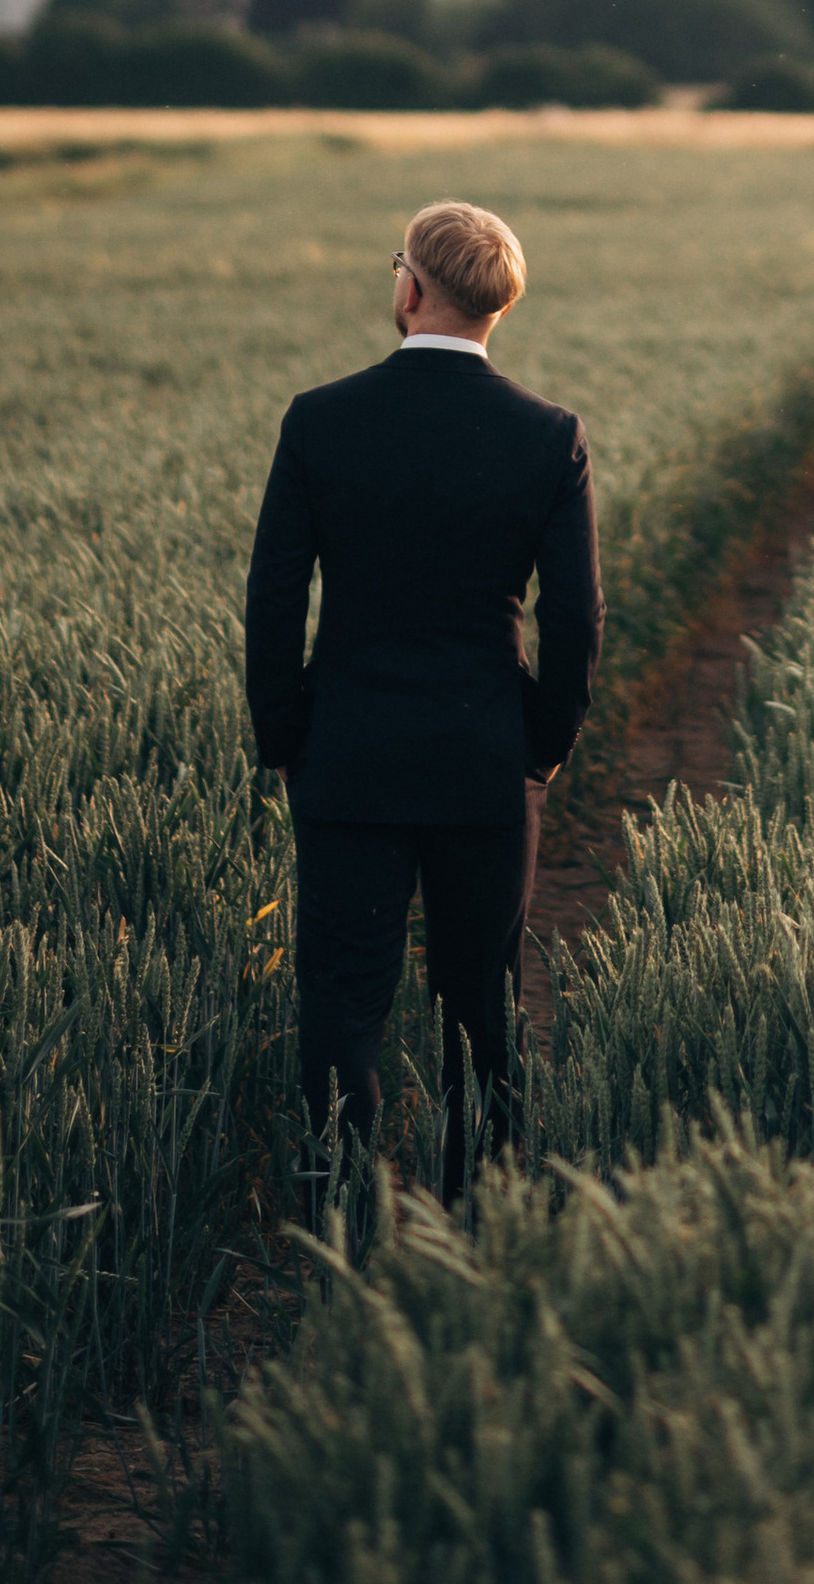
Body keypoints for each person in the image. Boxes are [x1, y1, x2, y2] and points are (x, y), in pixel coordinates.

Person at [244, 198, 602, 1209]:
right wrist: (540, 742)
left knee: (343, 1003)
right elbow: (576, 617)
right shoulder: (547, 435)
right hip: (484, 760)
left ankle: (336, 1221)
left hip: (347, 755)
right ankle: (475, 1218)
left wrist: (289, 739)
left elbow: (275, 596)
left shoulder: (322, 418)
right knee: (476, 1007)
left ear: (408, 289)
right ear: (498, 308)